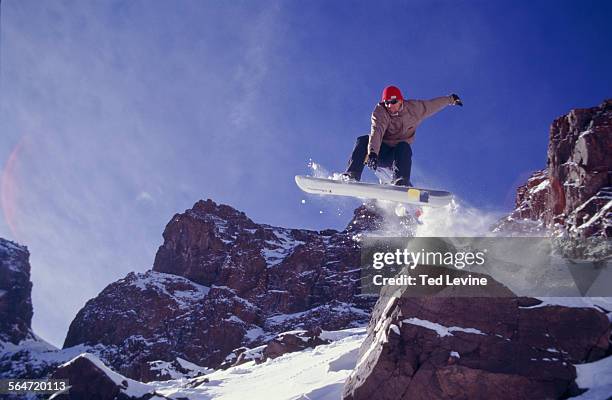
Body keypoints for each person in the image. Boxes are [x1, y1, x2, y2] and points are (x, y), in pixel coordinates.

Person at [341, 85, 462, 186]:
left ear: (400, 100)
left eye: (393, 102)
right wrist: (373, 153)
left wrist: (450, 99)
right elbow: (377, 131)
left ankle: (401, 181)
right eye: (387, 102)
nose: (390, 106)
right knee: (363, 140)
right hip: (379, 153)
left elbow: (431, 105)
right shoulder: (380, 112)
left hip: (397, 157)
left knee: (403, 145)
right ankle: (351, 175)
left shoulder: (414, 109)